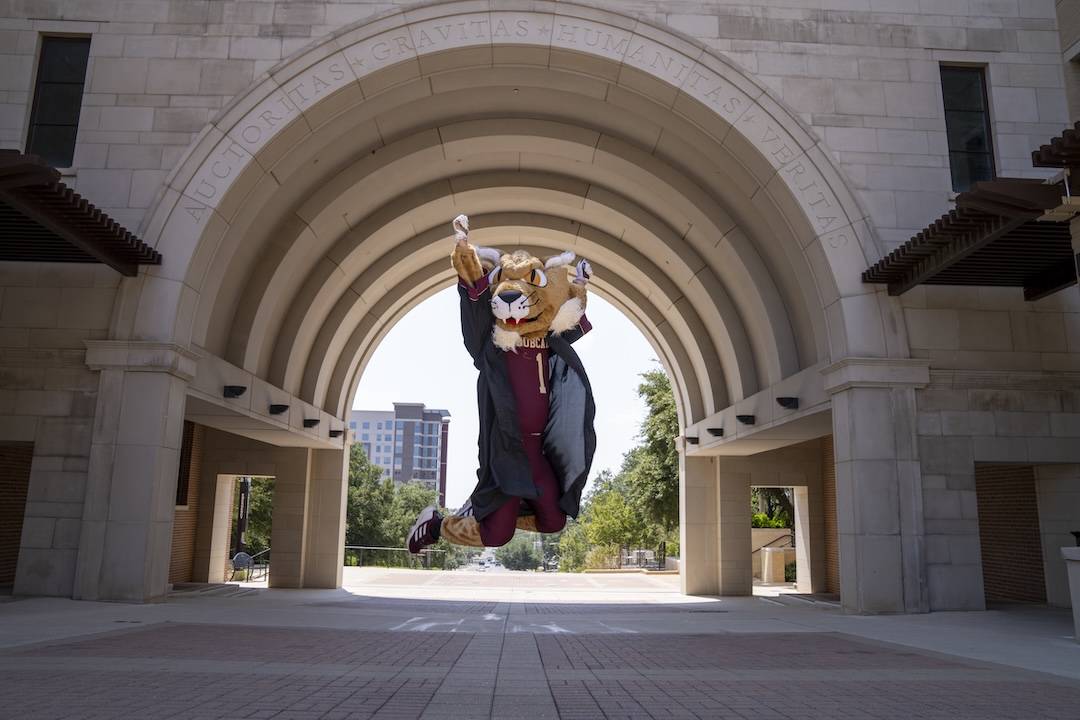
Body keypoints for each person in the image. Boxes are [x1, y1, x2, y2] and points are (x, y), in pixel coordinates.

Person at [407, 214, 596, 553]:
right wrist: (465, 252)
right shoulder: (491, 346)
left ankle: (488, 510)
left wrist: (579, 286)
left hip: (537, 452)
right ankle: (436, 525)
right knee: (497, 537)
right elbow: (474, 305)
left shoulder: (550, 341)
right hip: (507, 452)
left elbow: (569, 319)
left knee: (554, 521)